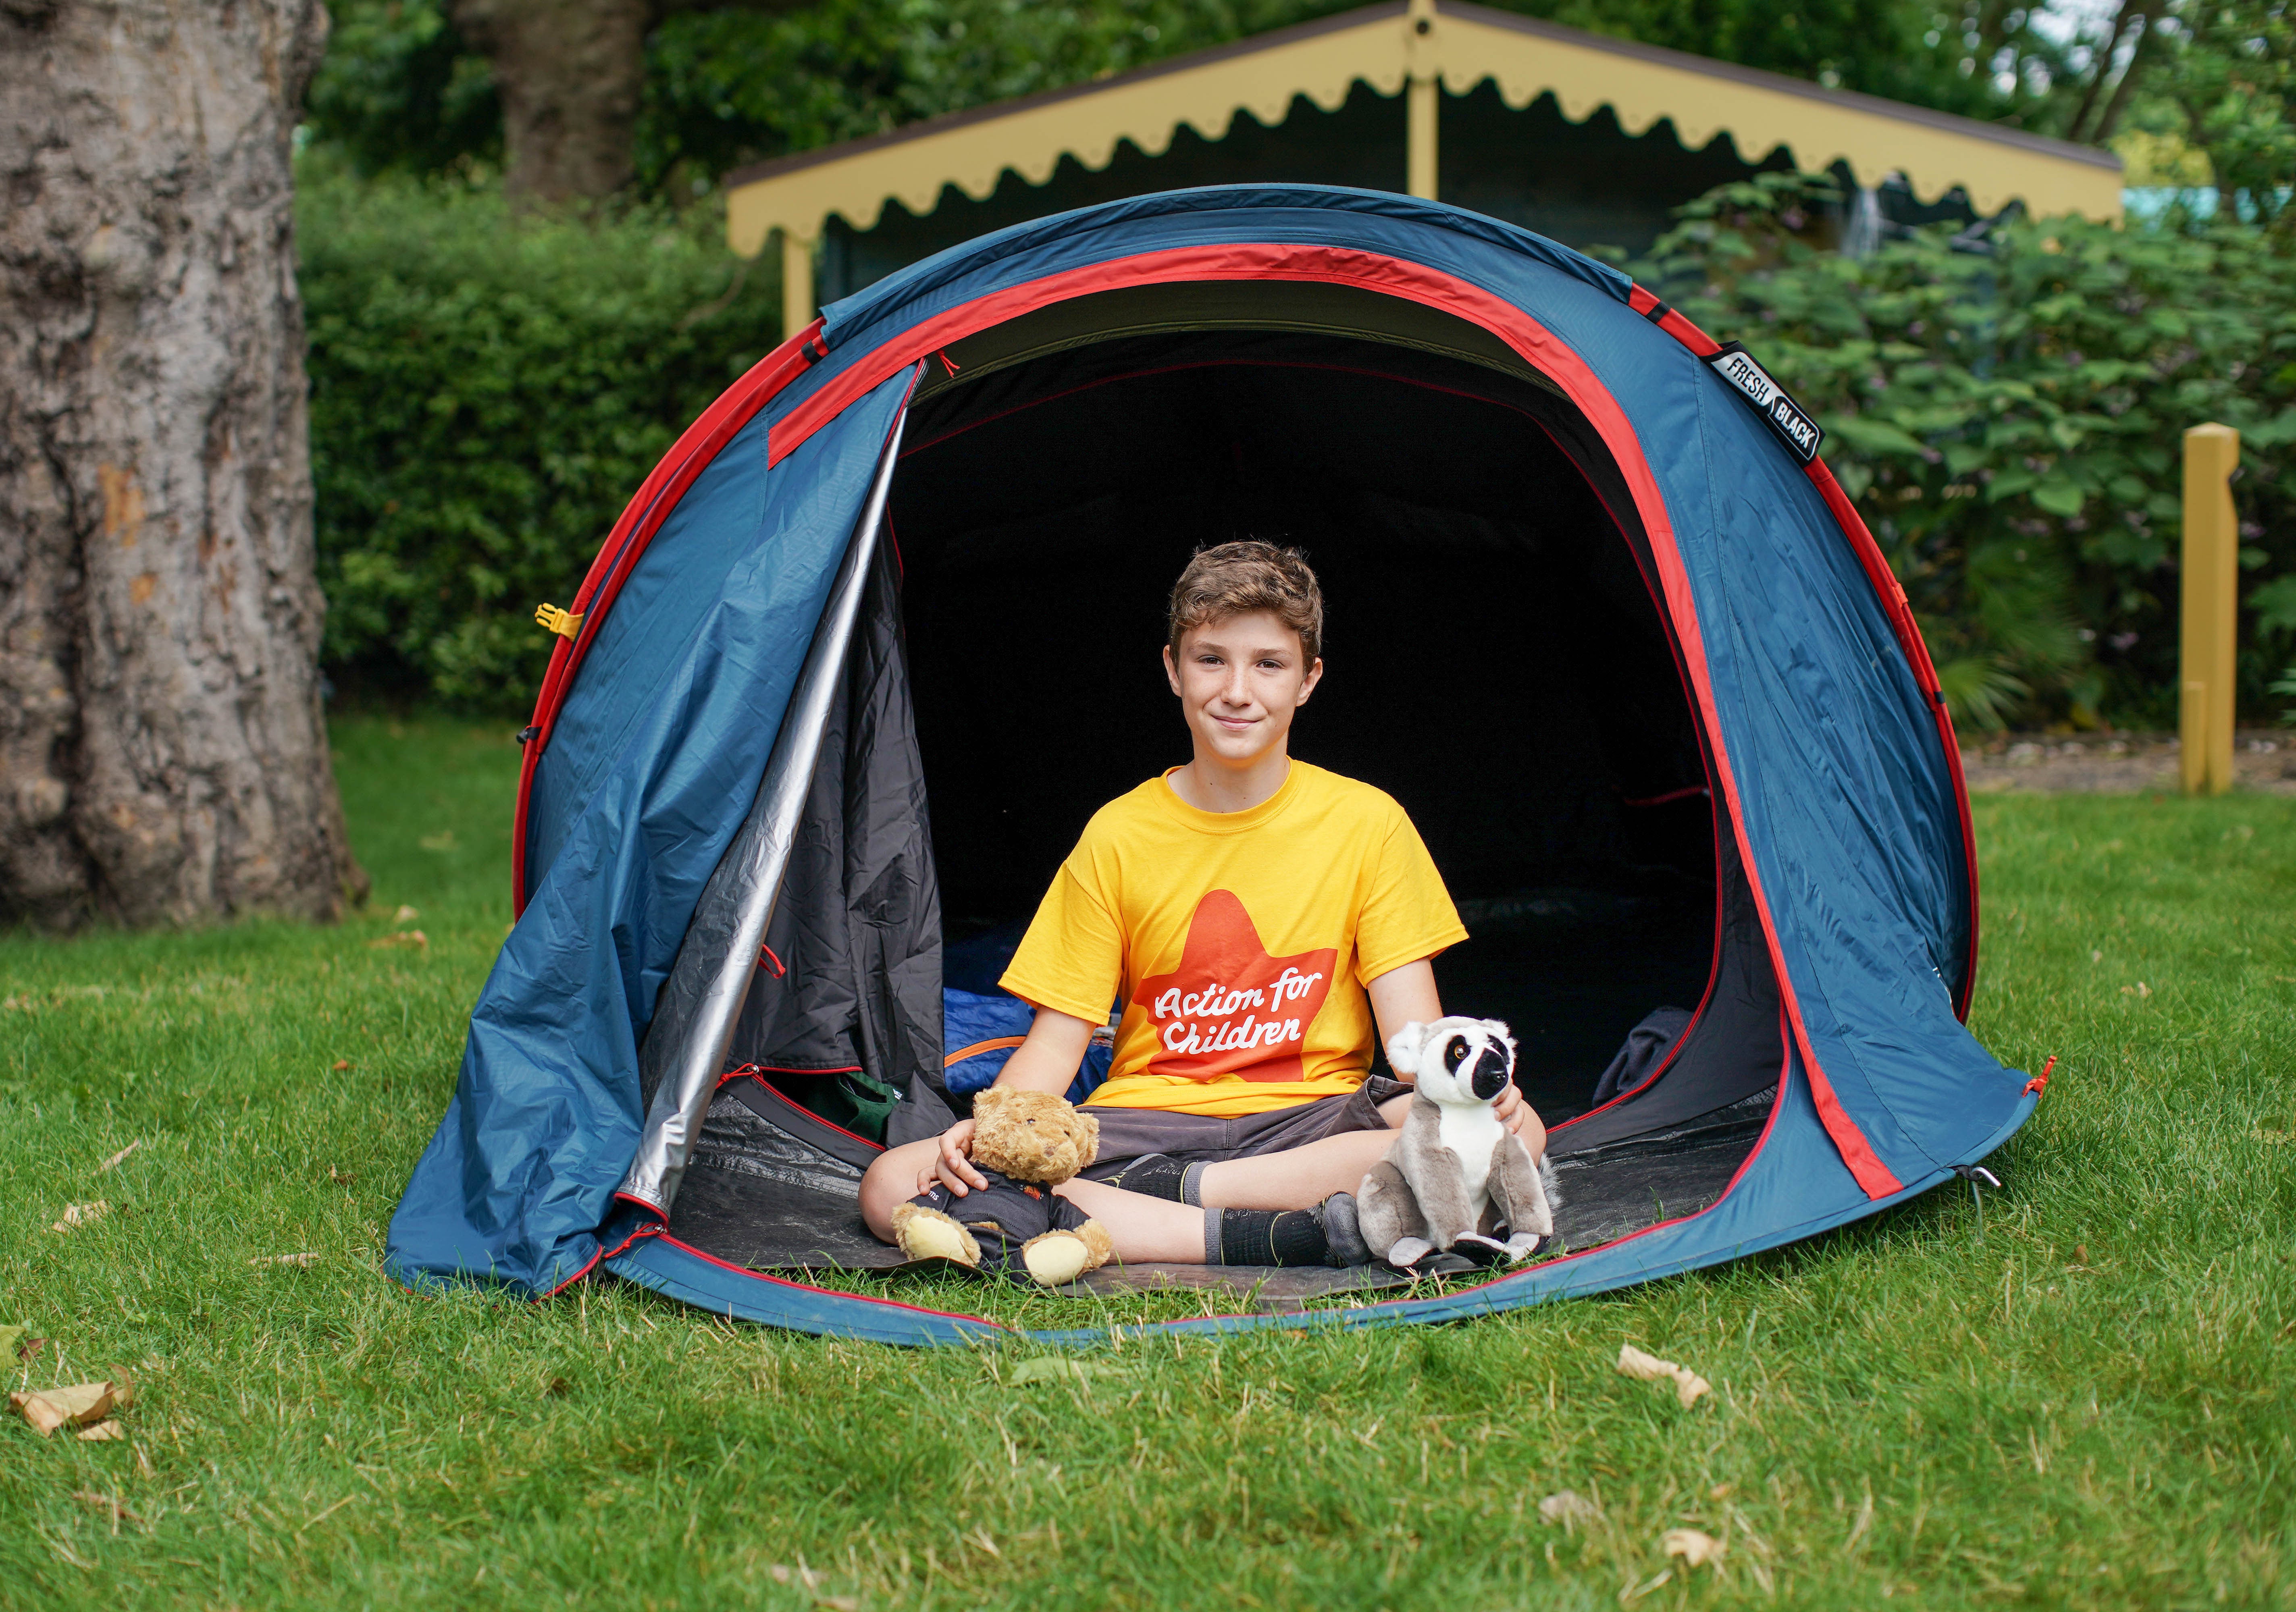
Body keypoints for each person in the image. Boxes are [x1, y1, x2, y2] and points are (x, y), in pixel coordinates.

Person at [859, 542, 1546, 1267]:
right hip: (1144, 1124)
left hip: (1313, 1121)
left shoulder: (1368, 823)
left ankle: (1148, 1203)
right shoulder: (1118, 833)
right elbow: (1057, 1044)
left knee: (1511, 1136)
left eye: (1269, 664)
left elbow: (1416, 1043)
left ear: (1309, 680)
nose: (1238, 691)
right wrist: (996, 1130)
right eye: (1212, 660)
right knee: (892, 1181)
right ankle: (1298, 1233)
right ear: (1172, 670)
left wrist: (1475, 1092)